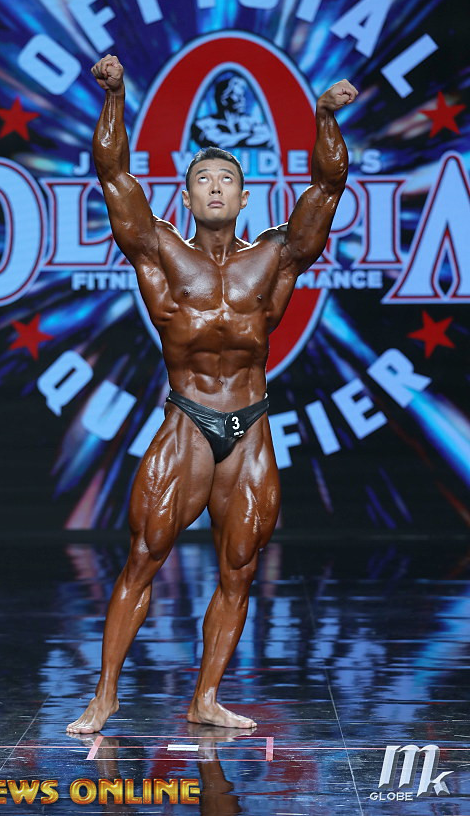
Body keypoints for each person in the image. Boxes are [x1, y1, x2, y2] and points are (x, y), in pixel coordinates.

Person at [67, 54, 357, 734]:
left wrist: (324, 116)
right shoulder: (161, 252)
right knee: (144, 557)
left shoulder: (275, 257)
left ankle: (205, 699)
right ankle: (104, 696)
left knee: (239, 569)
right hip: (189, 421)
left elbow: (328, 185)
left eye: (227, 178)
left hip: (250, 425)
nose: (216, 187)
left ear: (246, 197)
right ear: (188, 198)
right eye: (204, 179)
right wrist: (116, 96)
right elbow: (113, 174)